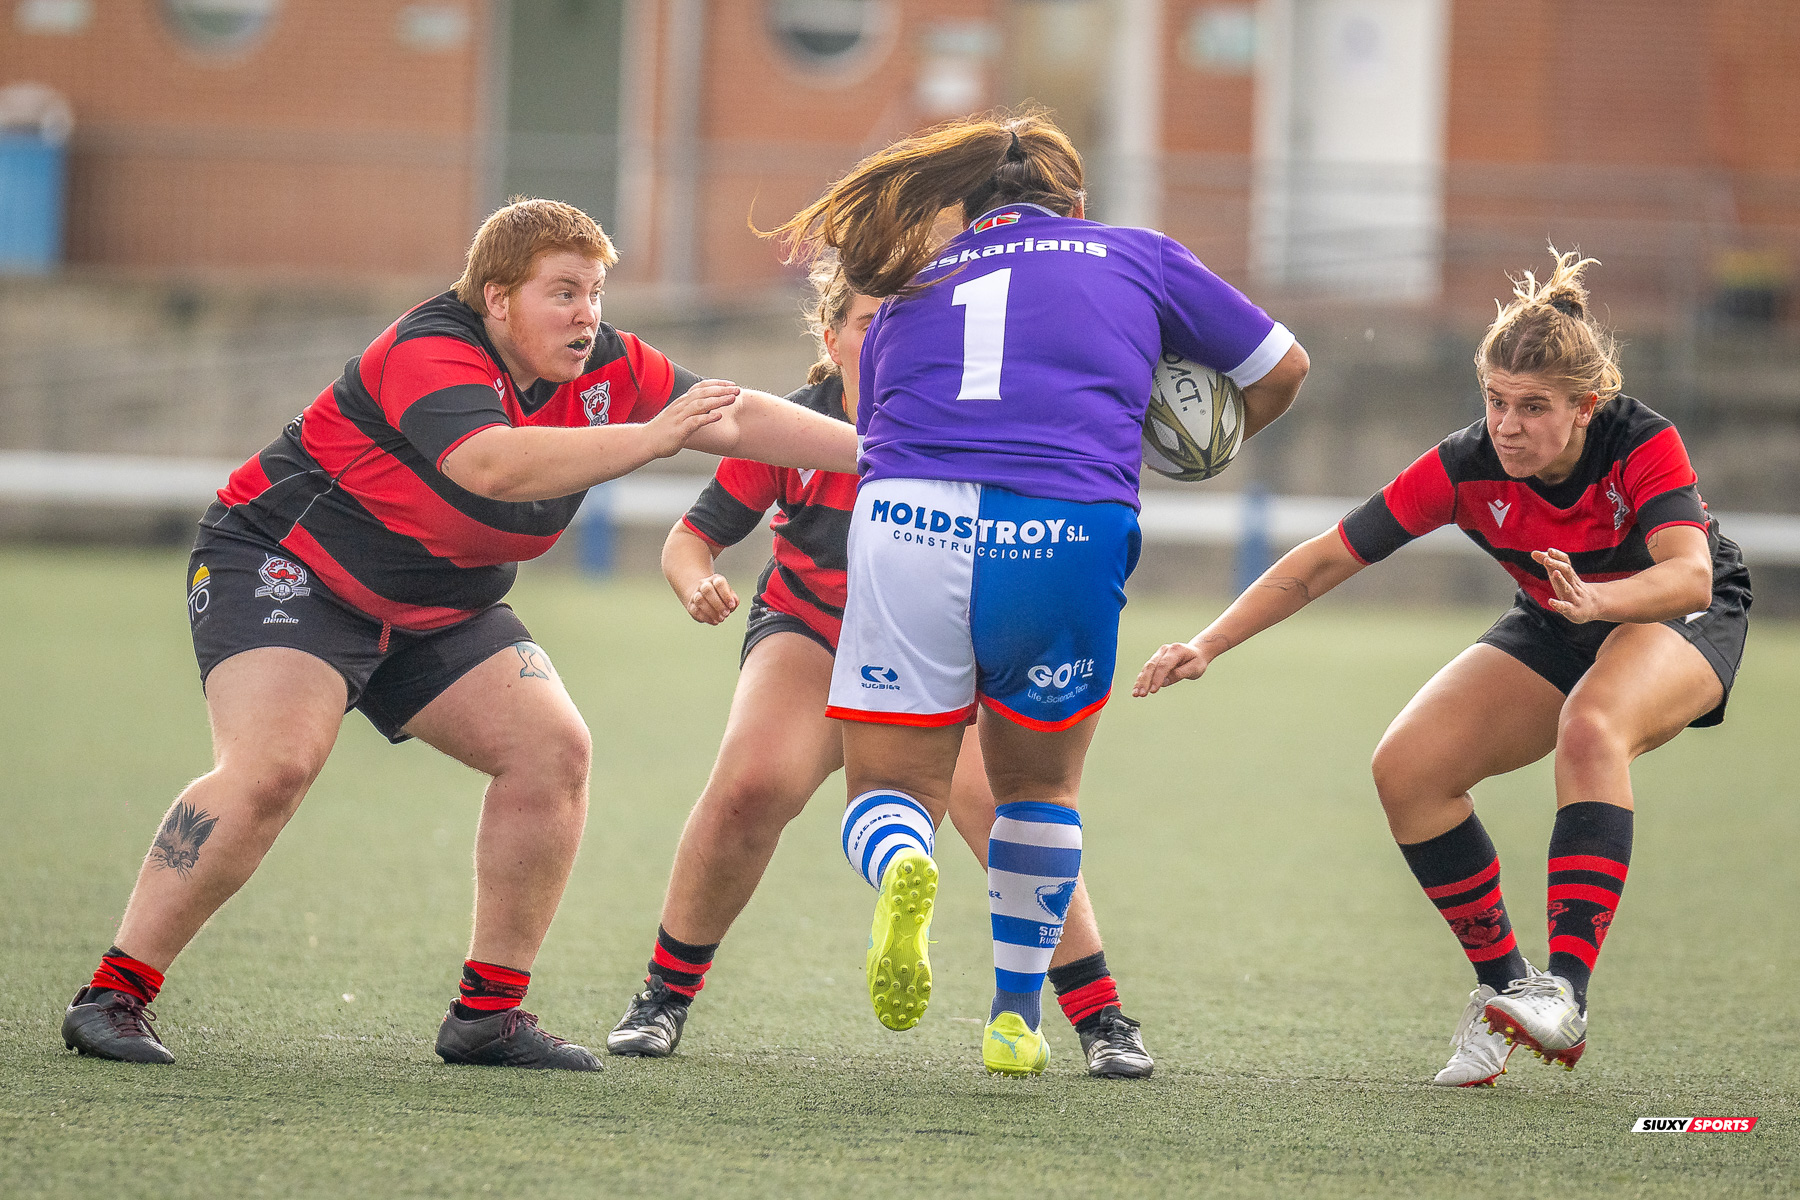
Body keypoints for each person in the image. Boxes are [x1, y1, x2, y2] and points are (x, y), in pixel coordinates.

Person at [59, 197, 858, 1071]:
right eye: (563, 293)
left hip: (444, 599)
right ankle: (114, 994)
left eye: (594, 292)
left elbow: (737, 418)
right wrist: (650, 438)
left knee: (553, 752)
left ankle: (488, 1016)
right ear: (496, 297)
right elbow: (490, 462)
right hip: (289, 569)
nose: (587, 315)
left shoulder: (613, 367)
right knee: (274, 765)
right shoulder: (431, 348)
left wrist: (895, 450)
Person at [768, 110, 1309, 1075]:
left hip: (907, 520)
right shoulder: (1137, 255)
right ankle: (1016, 1020)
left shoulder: (906, 286)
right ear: (1078, 205)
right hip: (1064, 523)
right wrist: (1194, 451)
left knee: (891, 788)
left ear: (960, 208)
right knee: (1039, 787)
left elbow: (880, 421)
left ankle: (904, 862)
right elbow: (1282, 368)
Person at [1135, 249, 1750, 1086]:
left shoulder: (1642, 442)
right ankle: (1507, 992)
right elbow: (1327, 558)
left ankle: (1564, 995)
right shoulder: (1467, 464)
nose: (1508, 425)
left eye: (1534, 408)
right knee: (1409, 769)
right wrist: (1206, 643)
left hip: (1673, 612)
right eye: (1496, 401)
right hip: (1561, 613)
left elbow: (1689, 575)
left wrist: (1601, 603)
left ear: (1585, 408)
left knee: (1592, 724)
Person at [605, 259, 1154, 1078]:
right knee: (752, 785)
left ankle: (1100, 1015)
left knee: (1003, 809)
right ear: (830, 337)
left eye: (902, 322)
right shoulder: (793, 427)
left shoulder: (971, 423)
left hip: (932, 650)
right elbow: (692, 537)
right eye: (866, 323)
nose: (887, 337)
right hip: (813, 632)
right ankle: (663, 997)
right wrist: (697, 583)